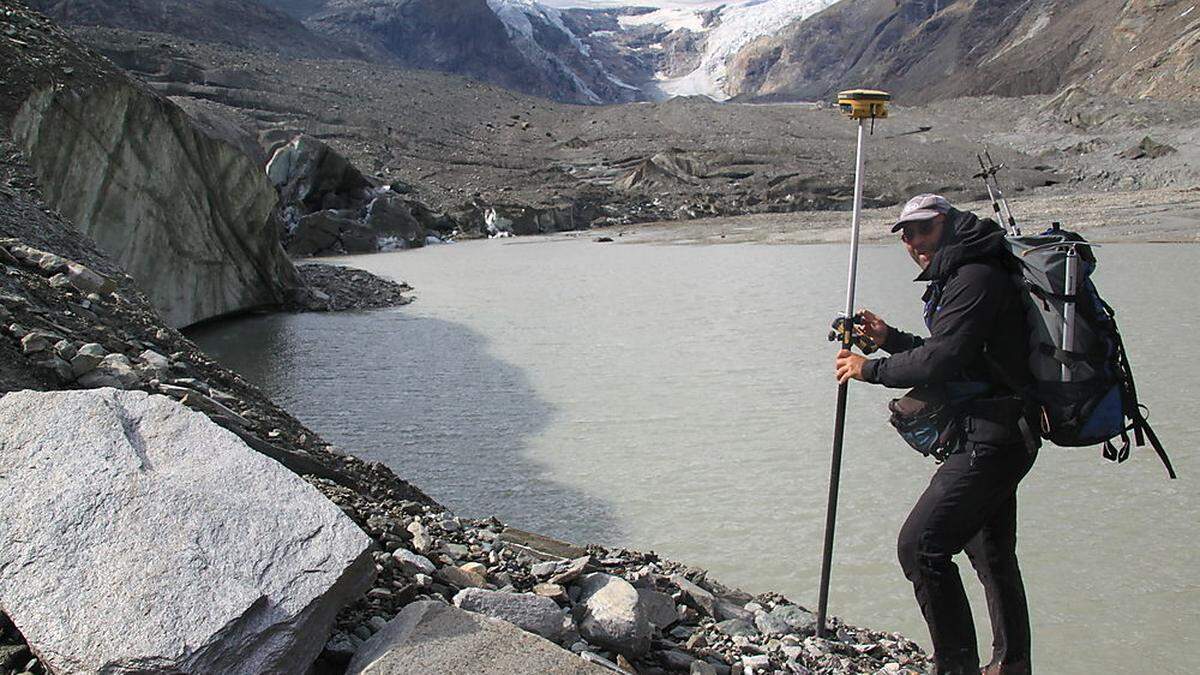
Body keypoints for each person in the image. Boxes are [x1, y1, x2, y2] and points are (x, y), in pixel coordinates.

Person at [833, 194, 1039, 675]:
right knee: (990, 553)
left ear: (945, 224)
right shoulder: (968, 270)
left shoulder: (975, 276)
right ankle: (1011, 665)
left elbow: (943, 361)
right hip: (999, 428)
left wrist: (871, 369)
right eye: (904, 234)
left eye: (921, 230)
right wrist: (891, 340)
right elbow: (960, 352)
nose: (912, 243)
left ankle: (956, 667)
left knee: (921, 547)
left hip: (992, 437)